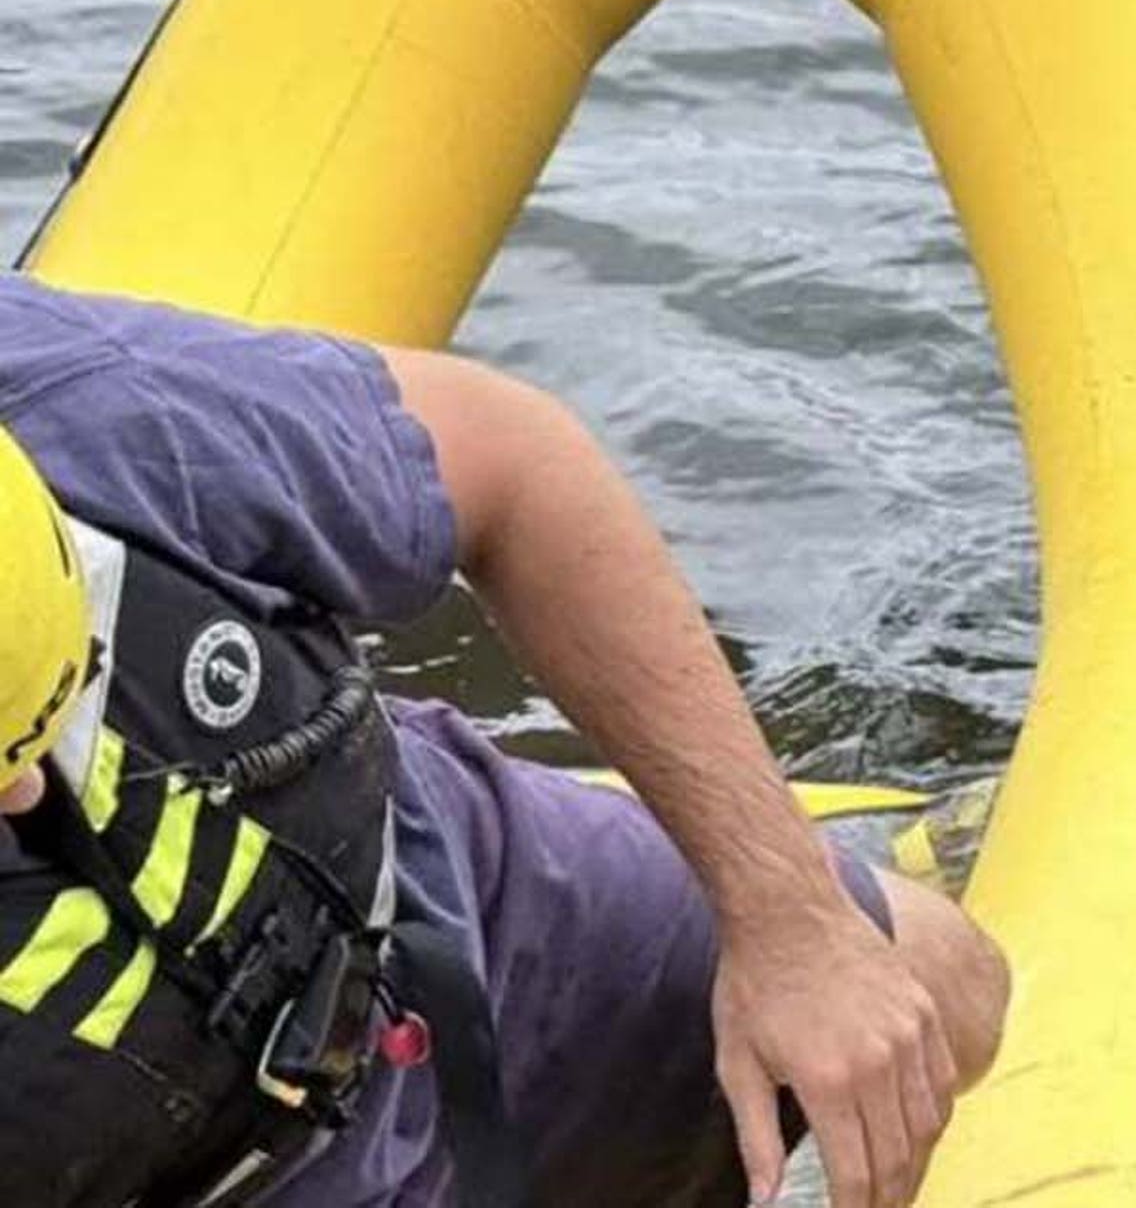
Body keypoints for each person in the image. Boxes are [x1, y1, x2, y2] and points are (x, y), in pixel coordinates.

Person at [0, 272, 1009, 1207]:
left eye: (47, 713)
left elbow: (510, 463)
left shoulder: (74, 404)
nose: (21, 795)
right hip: (176, 1166)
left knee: (940, 981)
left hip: (405, 907)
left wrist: (790, 921)